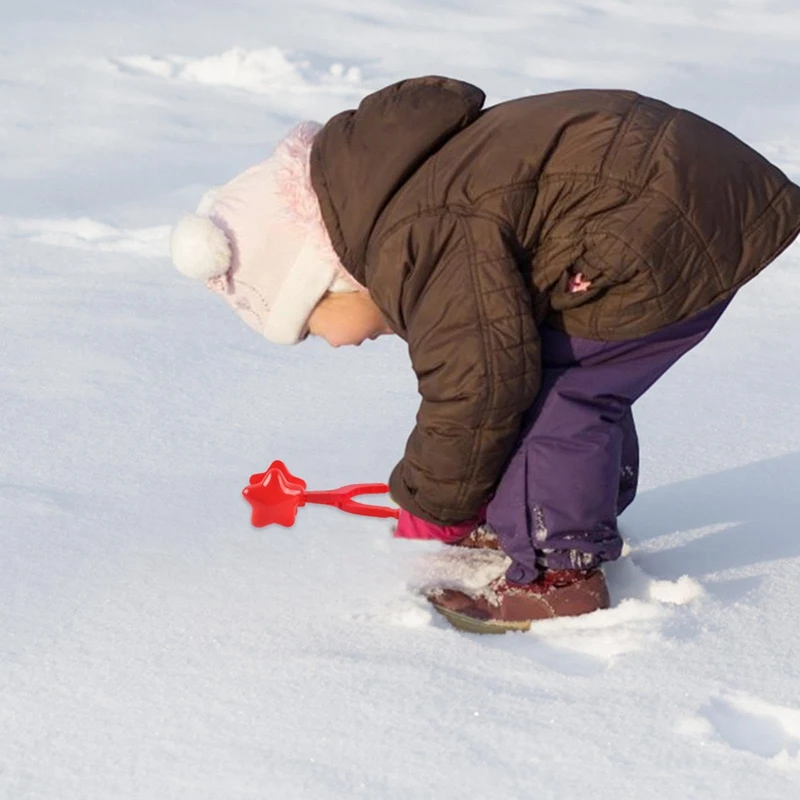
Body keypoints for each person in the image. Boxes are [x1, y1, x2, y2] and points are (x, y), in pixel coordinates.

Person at [170, 76, 800, 633]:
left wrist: (433, 509)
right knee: (565, 376)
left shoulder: (417, 239)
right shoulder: (413, 201)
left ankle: (560, 578)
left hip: (658, 220)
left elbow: (477, 391)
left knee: (553, 393)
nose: (339, 342)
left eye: (312, 323)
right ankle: (557, 519)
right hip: (679, 196)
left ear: (326, 273)